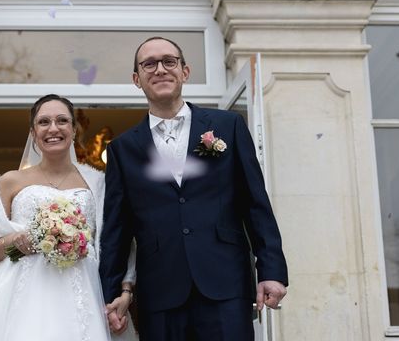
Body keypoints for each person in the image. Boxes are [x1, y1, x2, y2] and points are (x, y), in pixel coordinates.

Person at [99, 37, 288, 341]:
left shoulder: (228, 126)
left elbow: (256, 205)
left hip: (225, 285)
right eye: (149, 64)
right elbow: (117, 230)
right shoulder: (122, 150)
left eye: (169, 61)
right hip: (160, 294)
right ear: (137, 79)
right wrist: (111, 295)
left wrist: (271, 270)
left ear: (185, 72)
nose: (160, 69)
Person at [0, 94, 137, 341]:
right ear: (33, 132)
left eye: (62, 121)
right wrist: (22, 242)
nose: (53, 128)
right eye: (43, 122)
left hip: (84, 291)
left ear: (74, 129)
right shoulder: (9, 182)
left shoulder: (99, 183)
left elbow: (120, 240)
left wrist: (125, 291)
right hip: (24, 295)